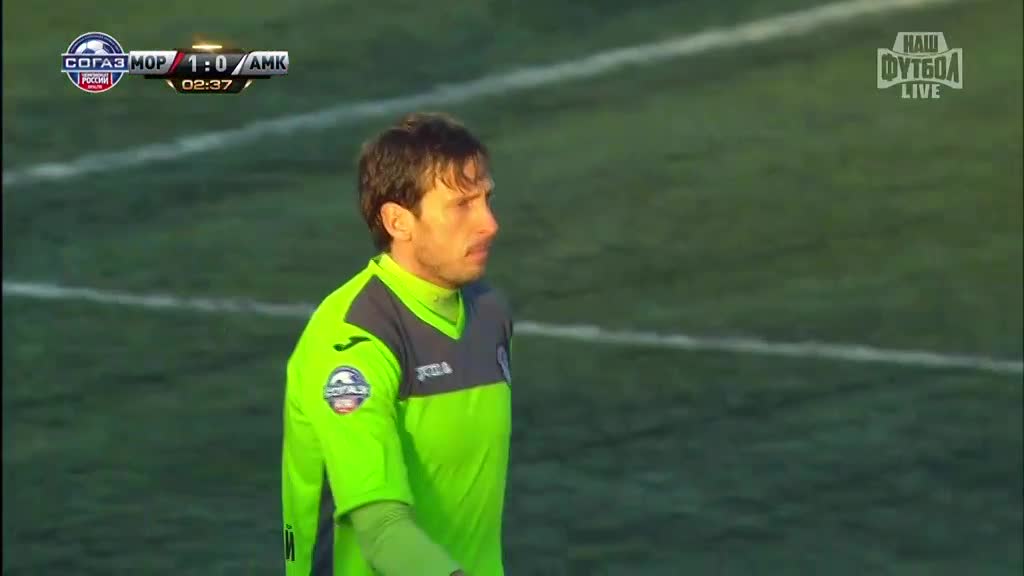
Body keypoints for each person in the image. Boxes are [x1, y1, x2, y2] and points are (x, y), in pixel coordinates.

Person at [281, 112, 513, 576]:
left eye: (486, 199)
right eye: (461, 205)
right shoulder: (353, 340)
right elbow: (381, 530)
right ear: (398, 221)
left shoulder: (488, 312)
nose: (489, 224)